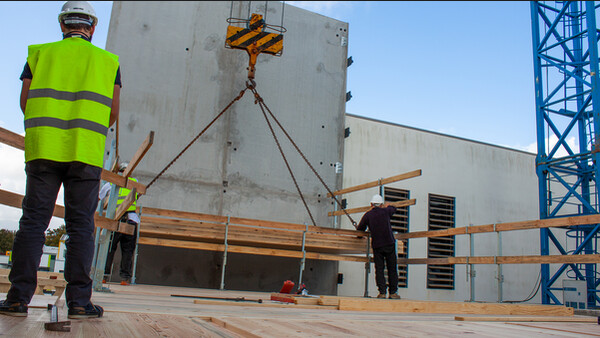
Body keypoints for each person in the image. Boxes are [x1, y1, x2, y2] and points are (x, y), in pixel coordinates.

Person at [0, 1, 121, 319]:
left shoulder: (40, 53)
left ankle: (17, 299)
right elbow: (112, 113)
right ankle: (80, 302)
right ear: (92, 27)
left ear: (62, 25)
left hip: (44, 148)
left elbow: (26, 100)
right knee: (82, 226)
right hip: (85, 151)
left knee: (33, 223)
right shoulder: (107, 62)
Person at [98, 162, 139, 285]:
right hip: (131, 219)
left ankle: (104, 276)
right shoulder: (134, 182)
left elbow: (99, 197)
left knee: (109, 248)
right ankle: (124, 278)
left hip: (115, 220)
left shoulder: (110, 183)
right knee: (127, 250)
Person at [357, 194, 401, 299]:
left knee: (379, 269)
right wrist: (388, 206)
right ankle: (393, 293)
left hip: (377, 245)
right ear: (381, 204)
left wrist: (360, 237)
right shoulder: (386, 211)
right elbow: (393, 209)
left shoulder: (368, 215)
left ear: (371, 204)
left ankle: (382, 292)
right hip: (389, 243)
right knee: (392, 268)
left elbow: (360, 230)